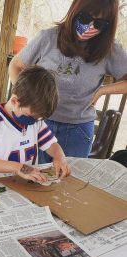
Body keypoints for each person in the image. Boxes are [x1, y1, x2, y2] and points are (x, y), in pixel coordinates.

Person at [9, 0, 127, 160]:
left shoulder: (110, 49)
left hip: (78, 129)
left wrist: (103, 91)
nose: (89, 27)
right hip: (39, 121)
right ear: (75, 11)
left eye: (99, 23)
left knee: (69, 181)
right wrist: (26, 98)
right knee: (31, 177)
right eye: (85, 18)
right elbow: (16, 65)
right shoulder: (48, 37)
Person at [0, 65, 71, 183]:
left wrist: (60, 156)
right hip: (0, 187)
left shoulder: (36, 122)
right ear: (14, 101)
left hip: (26, 186)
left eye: (38, 118)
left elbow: (51, 145)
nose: (34, 121)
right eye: (31, 116)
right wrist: (19, 168)